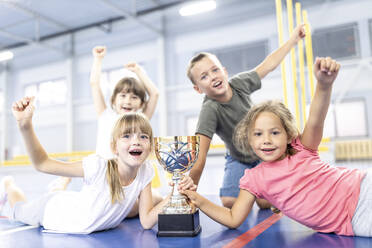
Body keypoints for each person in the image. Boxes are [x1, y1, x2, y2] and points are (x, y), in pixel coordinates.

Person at [182, 57, 372, 237]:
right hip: (353, 220)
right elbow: (232, 219)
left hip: (362, 187)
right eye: (258, 134)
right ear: (249, 139)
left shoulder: (301, 148)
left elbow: (316, 119)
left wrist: (324, 85)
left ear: (288, 135)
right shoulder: (254, 179)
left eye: (274, 132)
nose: (266, 140)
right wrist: (196, 198)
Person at [0, 97, 194, 234]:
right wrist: (25, 126)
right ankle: (9, 185)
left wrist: (174, 194)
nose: (136, 141)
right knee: (18, 210)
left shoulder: (146, 171)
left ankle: (24, 187)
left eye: (143, 136)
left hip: (74, 205)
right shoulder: (98, 166)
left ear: (150, 146)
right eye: (127, 136)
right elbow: (42, 163)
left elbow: (146, 221)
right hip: (52, 210)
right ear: (114, 147)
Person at [187, 24, 306, 208]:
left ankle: (268, 182)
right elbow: (200, 156)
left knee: (266, 203)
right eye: (204, 77)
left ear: (224, 71)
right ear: (198, 89)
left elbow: (268, 65)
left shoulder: (239, 84)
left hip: (264, 152)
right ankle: (255, 185)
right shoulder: (210, 110)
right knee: (229, 202)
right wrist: (189, 193)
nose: (212, 77)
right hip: (238, 157)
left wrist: (293, 40)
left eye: (215, 70)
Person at [52, 45, 160, 210]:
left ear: (141, 103)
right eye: (123, 96)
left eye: (134, 97)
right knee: (116, 207)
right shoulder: (106, 116)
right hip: (104, 176)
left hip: (128, 178)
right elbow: (94, 84)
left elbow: (155, 94)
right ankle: (61, 185)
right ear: (113, 100)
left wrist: (138, 71)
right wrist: (98, 59)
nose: (128, 101)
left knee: (157, 199)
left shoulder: (141, 120)